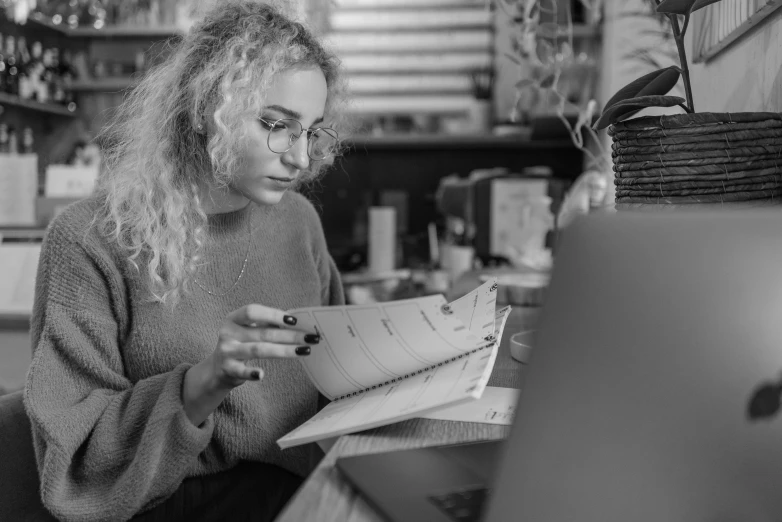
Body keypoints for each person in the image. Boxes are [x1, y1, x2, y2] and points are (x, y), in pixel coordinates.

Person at [22, 1, 349, 520]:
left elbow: (336, 381)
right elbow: (75, 459)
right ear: (205, 109)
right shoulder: (90, 239)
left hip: (300, 490)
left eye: (311, 132)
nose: (301, 158)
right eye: (276, 124)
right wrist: (205, 382)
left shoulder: (298, 221)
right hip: (164, 505)